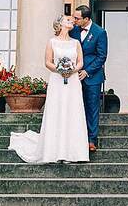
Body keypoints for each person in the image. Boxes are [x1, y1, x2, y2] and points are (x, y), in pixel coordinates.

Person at [8, 15, 89, 163]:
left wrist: (71, 70)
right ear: (60, 24)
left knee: (72, 110)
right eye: (67, 20)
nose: (71, 21)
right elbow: (47, 62)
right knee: (57, 110)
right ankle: (54, 151)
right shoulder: (52, 42)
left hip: (73, 81)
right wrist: (60, 69)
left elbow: (80, 62)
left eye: (71, 20)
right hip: (57, 80)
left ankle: (73, 152)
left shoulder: (76, 42)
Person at [71, 5, 108, 152]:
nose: (74, 20)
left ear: (86, 19)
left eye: (77, 18)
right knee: (76, 107)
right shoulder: (72, 30)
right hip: (73, 76)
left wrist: (87, 71)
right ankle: (75, 138)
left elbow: (102, 56)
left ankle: (91, 140)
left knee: (92, 108)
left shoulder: (100, 32)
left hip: (92, 77)